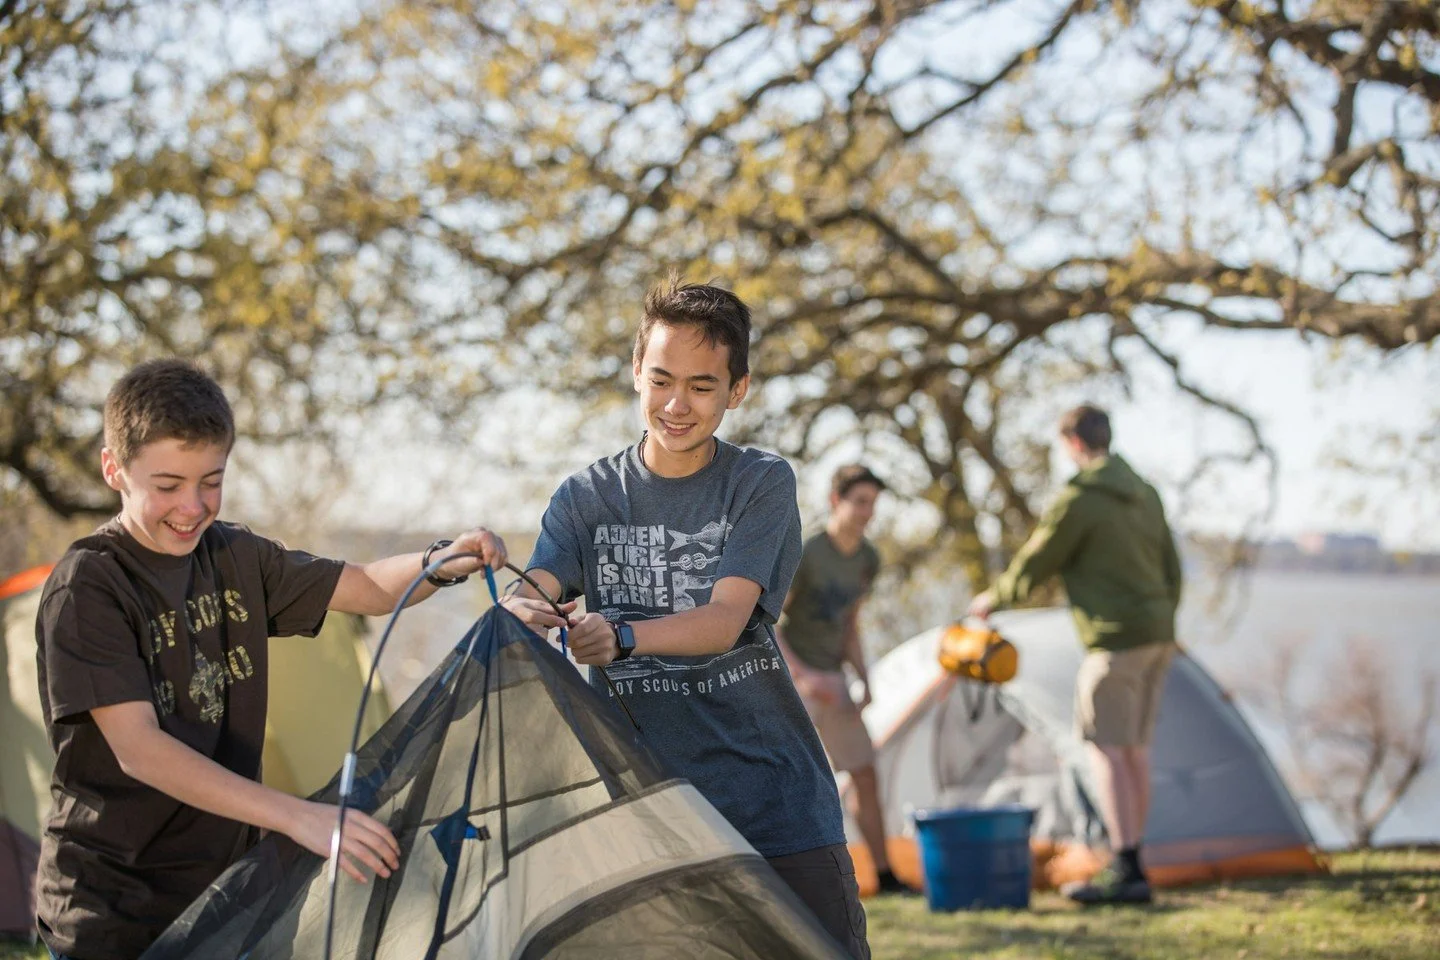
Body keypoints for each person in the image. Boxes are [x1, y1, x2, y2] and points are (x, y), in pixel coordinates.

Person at [34, 359, 508, 960]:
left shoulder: (236, 555)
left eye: (211, 481)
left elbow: (365, 586)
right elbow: (140, 749)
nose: (193, 506)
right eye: (168, 486)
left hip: (222, 902)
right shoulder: (89, 586)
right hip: (113, 913)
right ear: (114, 469)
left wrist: (443, 561)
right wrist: (298, 817)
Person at [502, 277, 869, 958]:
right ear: (636, 372)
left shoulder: (759, 483)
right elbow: (538, 588)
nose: (676, 405)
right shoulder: (585, 498)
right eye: (661, 380)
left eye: (702, 387)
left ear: (738, 390)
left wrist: (620, 636)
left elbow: (723, 620)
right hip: (651, 818)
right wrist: (520, 611)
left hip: (777, 808)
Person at [968, 404, 1181, 905]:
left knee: (1105, 749)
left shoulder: (1080, 498)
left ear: (1075, 443)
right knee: (1135, 750)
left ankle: (1126, 866)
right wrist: (1165, 619)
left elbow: (1038, 558)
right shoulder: (1146, 493)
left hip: (1113, 641)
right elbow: (1171, 567)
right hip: (1157, 635)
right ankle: (1134, 862)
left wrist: (994, 598)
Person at [776, 464, 907, 895]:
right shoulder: (807, 553)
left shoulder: (868, 559)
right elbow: (769, 622)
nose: (868, 512)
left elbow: (850, 624)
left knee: (865, 773)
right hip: (794, 680)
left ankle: (885, 875)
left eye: (873, 503)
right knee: (796, 781)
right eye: (860, 502)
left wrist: (864, 678)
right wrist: (804, 677)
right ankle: (792, 882)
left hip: (835, 681)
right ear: (836, 500)